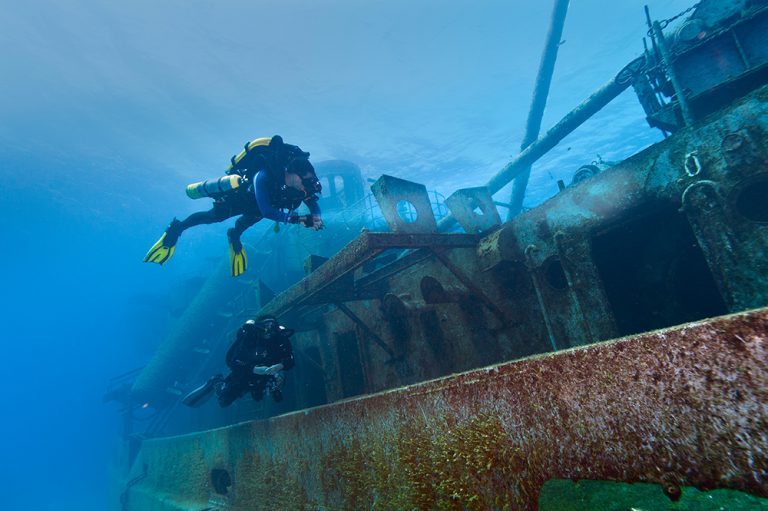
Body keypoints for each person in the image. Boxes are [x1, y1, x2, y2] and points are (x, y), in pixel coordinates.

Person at [144, 135, 324, 276]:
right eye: (306, 181)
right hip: (240, 200)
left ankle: (233, 237)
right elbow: (266, 210)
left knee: (241, 227)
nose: (307, 186)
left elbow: (313, 203)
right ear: (294, 174)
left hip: (256, 210)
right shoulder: (263, 175)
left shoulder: (299, 188)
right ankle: (176, 228)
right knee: (212, 217)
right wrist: (299, 220)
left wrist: (317, 216)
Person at [182, 316, 296, 408]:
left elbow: (290, 360)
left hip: (268, 375)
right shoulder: (249, 339)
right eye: (266, 326)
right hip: (245, 374)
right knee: (223, 401)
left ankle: (265, 387)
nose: (269, 330)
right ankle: (216, 382)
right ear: (258, 327)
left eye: (272, 326)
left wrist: (280, 366)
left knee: (265, 397)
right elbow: (232, 361)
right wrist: (253, 369)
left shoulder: (280, 339)